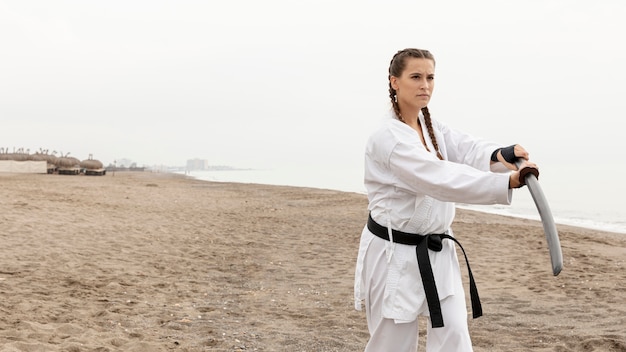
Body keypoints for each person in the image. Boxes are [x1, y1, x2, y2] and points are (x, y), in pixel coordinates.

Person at [353, 48, 539, 352]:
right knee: (393, 344)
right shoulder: (388, 137)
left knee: (453, 334)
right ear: (395, 82)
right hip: (393, 255)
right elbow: (440, 178)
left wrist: (499, 154)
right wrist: (505, 181)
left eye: (430, 77)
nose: (425, 84)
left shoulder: (428, 125)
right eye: (415, 77)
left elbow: (463, 147)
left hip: (437, 250)